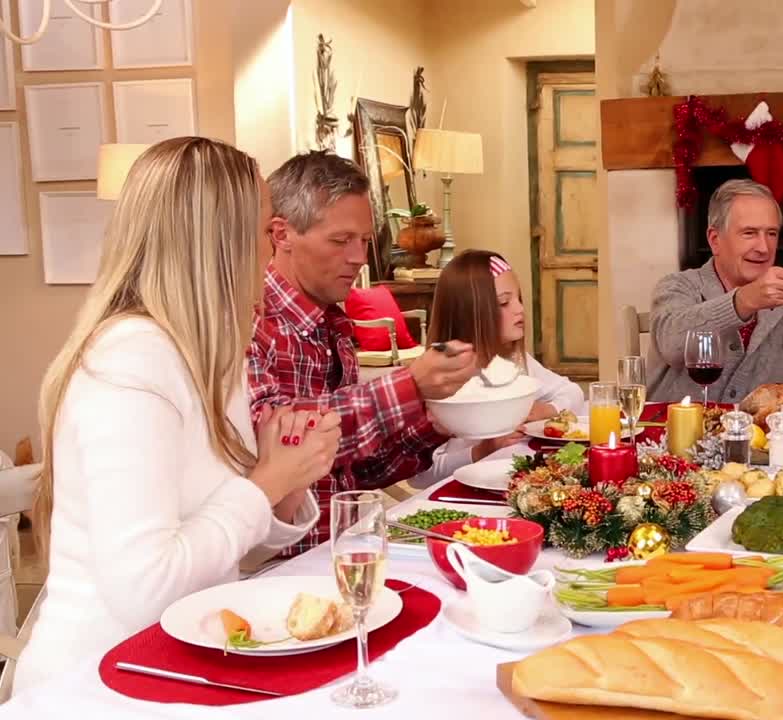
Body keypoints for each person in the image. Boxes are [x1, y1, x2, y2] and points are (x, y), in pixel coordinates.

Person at [15, 137, 339, 693]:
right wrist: (262, 486)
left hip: (181, 660)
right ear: (219, 243)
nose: (273, 249)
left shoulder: (207, 352)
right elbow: (147, 587)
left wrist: (285, 484)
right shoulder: (129, 364)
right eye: (266, 231)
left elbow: (217, 549)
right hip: (98, 684)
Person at [249, 151, 479, 557]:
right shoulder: (251, 322)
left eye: (365, 241)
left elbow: (359, 472)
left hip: (347, 554)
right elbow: (281, 446)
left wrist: (437, 419)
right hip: (280, 570)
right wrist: (409, 385)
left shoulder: (332, 324)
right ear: (281, 234)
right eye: (341, 241)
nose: (358, 258)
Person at [411, 250, 584, 487]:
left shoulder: (514, 360)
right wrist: (482, 450)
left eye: (518, 299)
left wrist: (545, 410)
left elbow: (573, 393)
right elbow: (421, 476)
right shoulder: (441, 377)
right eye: (504, 302)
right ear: (471, 313)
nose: (520, 309)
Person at [646, 178, 783, 404]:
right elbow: (672, 345)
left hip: (766, 438)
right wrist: (745, 300)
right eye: (749, 233)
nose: (763, 248)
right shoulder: (677, 287)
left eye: (771, 234)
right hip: (674, 435)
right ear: (715, 240)